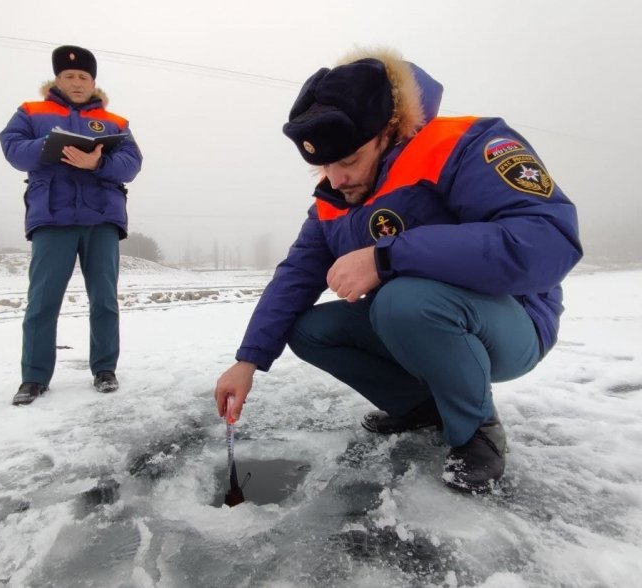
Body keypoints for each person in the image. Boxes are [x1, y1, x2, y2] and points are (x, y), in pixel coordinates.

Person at [214, 48, 582, 493]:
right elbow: (296, 275)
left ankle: (477, 432)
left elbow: (549, 241)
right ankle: (422, 406)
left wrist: (385, 257)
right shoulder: (334, 199)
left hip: (512, 322)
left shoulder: (465, 146)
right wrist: (247, 361)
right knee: (310, 328)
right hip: (417, 322)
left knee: (402, 299)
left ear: (388, 130)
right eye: (324, 165)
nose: (335, 179)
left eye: (348, 161)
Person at [0, 45, 142, 406]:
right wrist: (49, 144)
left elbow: (131, 163)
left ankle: (105, 370)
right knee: (43, 302)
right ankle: (33, 378)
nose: (76, 82)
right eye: (69, 76)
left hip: (102, 221)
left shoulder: (115, 122)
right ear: (57, 79)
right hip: (52, 219)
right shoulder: (31, 112)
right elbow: (13, 148)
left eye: (83, 77)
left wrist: (96, 163)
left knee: (105, 300)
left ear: (93, 82)